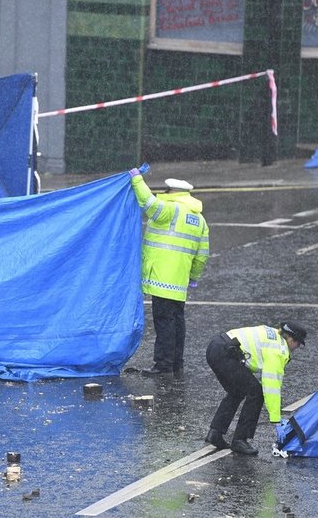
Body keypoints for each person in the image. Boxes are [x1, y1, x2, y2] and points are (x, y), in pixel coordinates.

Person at [128, 169, 209, 378]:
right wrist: (194, 277)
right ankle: (176, 363)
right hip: (179, 280)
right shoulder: (199, 219)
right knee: (177, 322)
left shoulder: (171, 210)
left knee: (164, 322)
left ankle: (162, 365)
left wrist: (137, 179)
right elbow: (202, 255)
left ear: (171, 191)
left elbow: (148, 203)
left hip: (162, 278)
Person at [204, 321, 307, 455]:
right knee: (256, 392)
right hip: (225, 354)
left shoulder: (274, 335)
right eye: (298, 343)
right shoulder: (278, 350)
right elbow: (271, 386)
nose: (297, 347)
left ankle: (215, 433)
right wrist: (276, 419)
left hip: (216, 347)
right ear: (291, 339)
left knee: (236, 391)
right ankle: (240, 440)